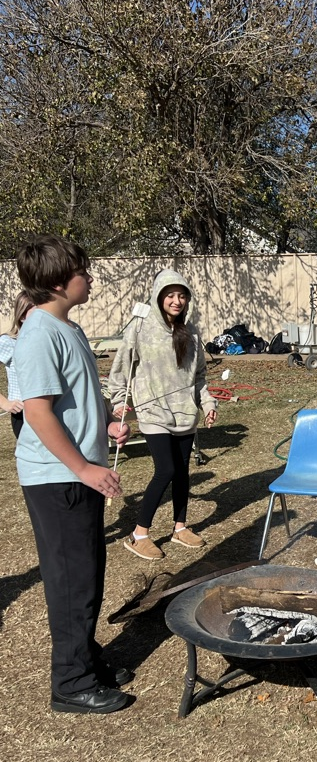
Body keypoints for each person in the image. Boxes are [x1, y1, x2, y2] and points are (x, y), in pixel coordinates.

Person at [14, 235, 133, 714]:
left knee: (89, 572)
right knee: (71, 581)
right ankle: (70, 682)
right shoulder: (38, 334)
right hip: (58, 478)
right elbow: (38, 413)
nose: (90, 278)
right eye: (84, 272)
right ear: (61, 282)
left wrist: (106, 420)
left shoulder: (71, 329)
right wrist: (83, 466)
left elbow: (78, 396)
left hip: (78, 474)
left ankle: (86, 656)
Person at [108, 269, 217, 561]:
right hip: (153, 411)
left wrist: (207, 404)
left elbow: (200, 376)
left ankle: (179, 528)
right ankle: (138, 534)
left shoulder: (191, 332)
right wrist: (119, 401)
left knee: (182, 473)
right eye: (170, 295)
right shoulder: (140, 328)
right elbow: (121, 369)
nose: (176, 301)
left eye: (182, 295)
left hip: (185, 413)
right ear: (158, 297)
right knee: (165, 470)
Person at [1, 290, 34, 438]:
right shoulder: (8, 342)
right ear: (22, 316)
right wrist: (5, 403)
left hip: (52, 410)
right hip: (23, 415)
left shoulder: (49, 342)